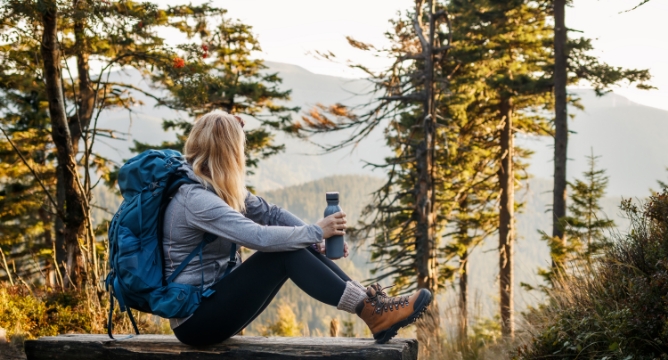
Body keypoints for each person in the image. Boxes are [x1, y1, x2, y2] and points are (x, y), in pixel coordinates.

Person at [162, 110, 432, 346]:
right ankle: (370, 311)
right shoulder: (196, 200)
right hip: (196, 320)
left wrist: (315, 241)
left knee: (296, 243)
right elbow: (259, 237)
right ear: (228, 152)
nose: (242, 154)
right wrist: (316, 232)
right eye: (239, 148)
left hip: (213, 304)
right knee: (284, 251)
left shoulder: (215, 187)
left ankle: (373, 306)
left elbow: (271, 213)